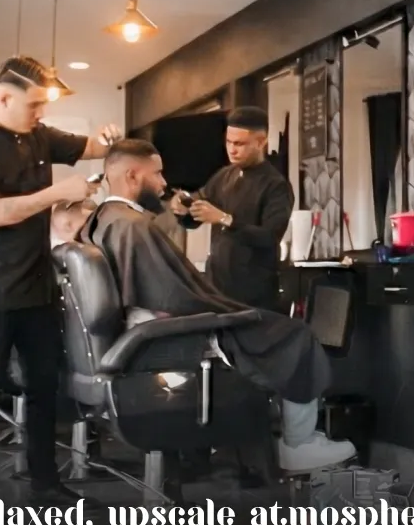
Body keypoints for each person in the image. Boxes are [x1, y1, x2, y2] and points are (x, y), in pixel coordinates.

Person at [80, 138, 355, 472]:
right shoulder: (131, 225)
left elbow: (160, 286)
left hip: (147, 329)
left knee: (265, 325)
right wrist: (219, 311)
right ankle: (299, 443)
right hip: (170, 335)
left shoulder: (103, 218)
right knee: (295, 334)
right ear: (133, 176)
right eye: (158, 174)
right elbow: (169, 297)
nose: (164, 183)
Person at [0, 54, 121, 509]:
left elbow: (89, 147)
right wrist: (55, 194)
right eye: (34, 106)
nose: (41, 114)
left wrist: (107, 139)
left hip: (38, 287)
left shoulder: (41, 135)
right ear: (3, 97)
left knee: (45, 387)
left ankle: (46, 484)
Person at [171, 106, 294, 312]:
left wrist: (225, 219)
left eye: (239, 144)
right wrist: (183, 210)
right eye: (228, 142)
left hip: (252, 292)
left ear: (261, 142)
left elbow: (270, 237)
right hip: (216, 286)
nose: (232, 149)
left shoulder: (276, 185)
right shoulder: (224, 176)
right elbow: (198, 215)